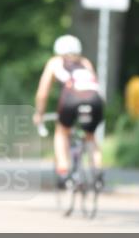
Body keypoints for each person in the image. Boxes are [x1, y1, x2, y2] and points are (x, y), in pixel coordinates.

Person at [33, 35, 105, 189]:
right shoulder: (85, 62)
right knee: (91, 136)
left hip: (71, 100)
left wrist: (39, 114)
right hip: (95, 101)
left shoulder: (55, 62)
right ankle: (98, 172)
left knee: (62, 132)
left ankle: (63, 171)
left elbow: (43, 93)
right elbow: (94, 84)